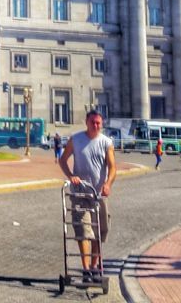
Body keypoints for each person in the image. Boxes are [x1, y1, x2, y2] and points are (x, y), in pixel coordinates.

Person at [59, 111, 117, 280]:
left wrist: (108, 184)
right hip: (80, 193)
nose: (96, 126)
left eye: (99, 123)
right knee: (84, 231)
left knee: (100, 231)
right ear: (86, 122)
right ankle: (85, 270)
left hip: (99, 195)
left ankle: (94, 267)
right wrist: (71, 176)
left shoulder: (106, 142)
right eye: (93, 122)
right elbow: (63, 160)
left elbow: (113, 168)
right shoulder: (76, 139)